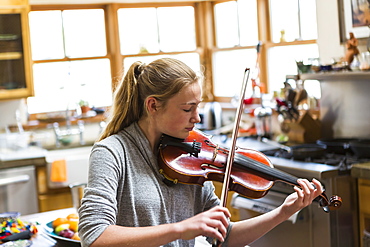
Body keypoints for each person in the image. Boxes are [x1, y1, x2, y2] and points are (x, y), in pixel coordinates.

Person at [78, 57, 324, 247]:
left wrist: (283, 212)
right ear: (153, 105)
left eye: (198, 107)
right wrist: (181, 229)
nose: (196, 118)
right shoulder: (111, 153)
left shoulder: (193, 159)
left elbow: (224, 237)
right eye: (188, 108)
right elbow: (94, 235)